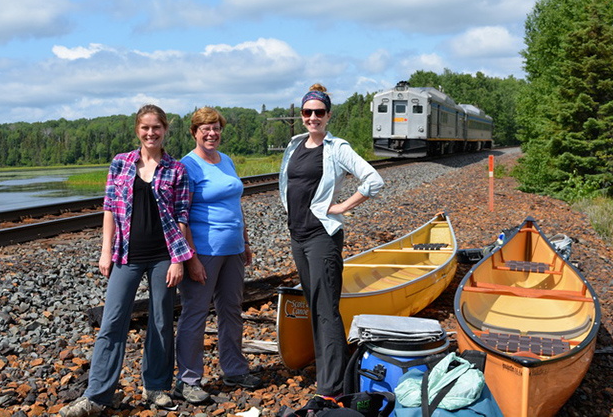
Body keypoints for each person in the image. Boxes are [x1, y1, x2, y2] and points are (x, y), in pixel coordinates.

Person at [60, 104, 194, 417]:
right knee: (112, 322)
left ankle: (156, 387)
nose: (151, 133)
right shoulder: (121, 163)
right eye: (145, 127)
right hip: (125, 254)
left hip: (164, 254)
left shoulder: (176, 169)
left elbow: (182, 216)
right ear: (138, 130)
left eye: (157, 128)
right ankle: (98, 395)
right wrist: (105, 250)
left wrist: (178, 260)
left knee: (161, 322)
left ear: (165, 130)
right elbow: (109, 208)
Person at [278, 84, 384, 399]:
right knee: (315, 306)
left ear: (328, 115)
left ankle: (331, 387)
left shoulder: (337, 148)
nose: (313, 118)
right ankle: (327, 371)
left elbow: (373, 180)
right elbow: (288, 182)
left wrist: (340, 207)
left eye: (319, 112)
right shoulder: (295, 144)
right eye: (308, 112)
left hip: (322, 237)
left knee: (326, 310)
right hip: (298, 235)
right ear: (301, 115)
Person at [174, 107, 262, 404]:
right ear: (194, 132)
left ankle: (235, 370)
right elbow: (181, 215)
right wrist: (191, 258)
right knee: (195, 314)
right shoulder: (187, 165)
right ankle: (188, 380)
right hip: (205, 251)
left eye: (216, 127)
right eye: (205, 128)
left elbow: (236, 204)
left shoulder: (226, 161)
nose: (211, 133)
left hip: (233, 249)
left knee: (231, 312)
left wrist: (246, 241)